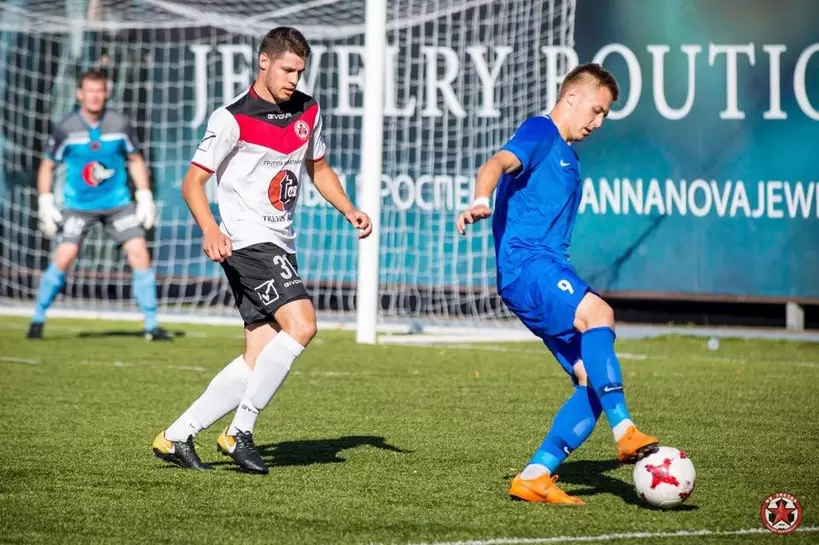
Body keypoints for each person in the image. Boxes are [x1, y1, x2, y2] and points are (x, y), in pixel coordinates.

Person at [151, 27, 372, 474]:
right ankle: (240, 431)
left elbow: (318, 167)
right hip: (247, 241)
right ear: (264, 62)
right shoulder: (231, 117)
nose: (294, 78)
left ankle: (177, 435)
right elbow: (193, 181)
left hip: (280, 243)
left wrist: (349, 208)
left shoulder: (308, 109)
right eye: (287, 69)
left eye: (300, 71)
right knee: (303, 324)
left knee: (259, 355)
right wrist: (211, 229)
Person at [456, 63, 660, 505]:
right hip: (529, 266)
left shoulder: (568, 154)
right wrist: (479, 200)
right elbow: (497, 162)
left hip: (534, 272)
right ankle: (625, 431)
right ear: (571, 98)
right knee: (600, 313)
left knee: (591, 382)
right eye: (596, 110)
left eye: (604, 115)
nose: (598, 122)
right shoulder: (540, 131)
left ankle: (535, 475)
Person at [28, 69, 169, 341]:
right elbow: (47, 166)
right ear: (80, 94)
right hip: (78, 206)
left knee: (139, 252)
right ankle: (37, 318)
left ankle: (151, 325)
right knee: (65, 254)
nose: (95, 96)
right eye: (89, 91)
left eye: (100, 90)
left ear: (107, 93)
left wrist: (144, 196)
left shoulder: (119, 123)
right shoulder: (66, 127)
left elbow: (136, 160)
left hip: (117, 205)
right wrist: (45, 201)